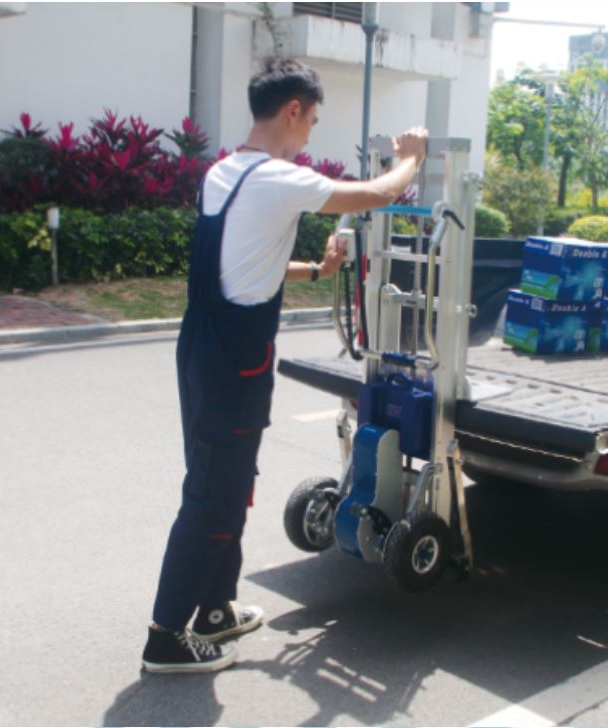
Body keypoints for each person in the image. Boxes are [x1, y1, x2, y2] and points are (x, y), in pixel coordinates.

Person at [142, 57, 428, 673]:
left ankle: (215, 609)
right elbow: (379, 194)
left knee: (227, 482)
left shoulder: (222, 172)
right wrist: (411, 157)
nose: (309, 137)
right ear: (292, 110)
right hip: (233, 365)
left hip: (203, 350)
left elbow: (241, 265)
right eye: (312, 122)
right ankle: (165, 637)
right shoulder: (278, 178)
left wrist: (314, 272)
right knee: (212, 497)